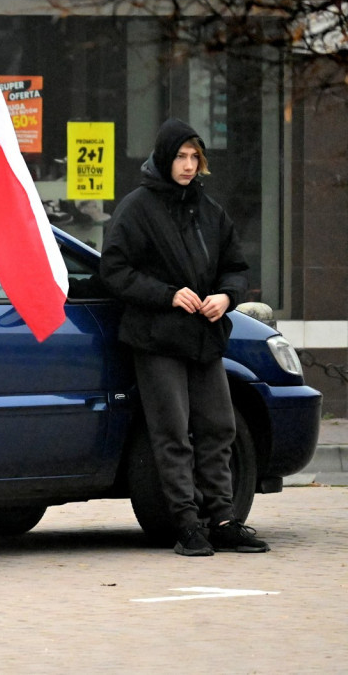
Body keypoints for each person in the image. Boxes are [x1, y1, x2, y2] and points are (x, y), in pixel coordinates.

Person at [100, 118, 270, 556]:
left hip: (205, 337)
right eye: (181, 156)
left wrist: (226, 297)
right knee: (172, 432)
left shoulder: (209, 210)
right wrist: (168, 295)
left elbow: (235, 265)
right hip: (156, 339)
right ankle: (187, 525)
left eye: (195, 157)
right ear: (163, 157)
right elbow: (114, 271)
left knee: (219, 428)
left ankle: (225, 519)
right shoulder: (136, 208)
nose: (189, 165)